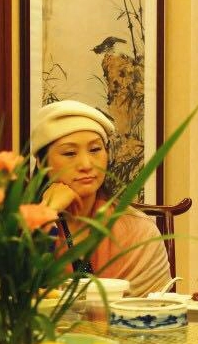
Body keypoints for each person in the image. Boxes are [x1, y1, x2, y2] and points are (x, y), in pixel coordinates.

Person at [30, 100, 171, 297]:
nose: (86, 164)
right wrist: (46, 213)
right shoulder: (15, 227)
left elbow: (152, 308)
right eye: (70, 153)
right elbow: (15, 300)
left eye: (95, 150)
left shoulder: (137, 230)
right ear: (41, 162)